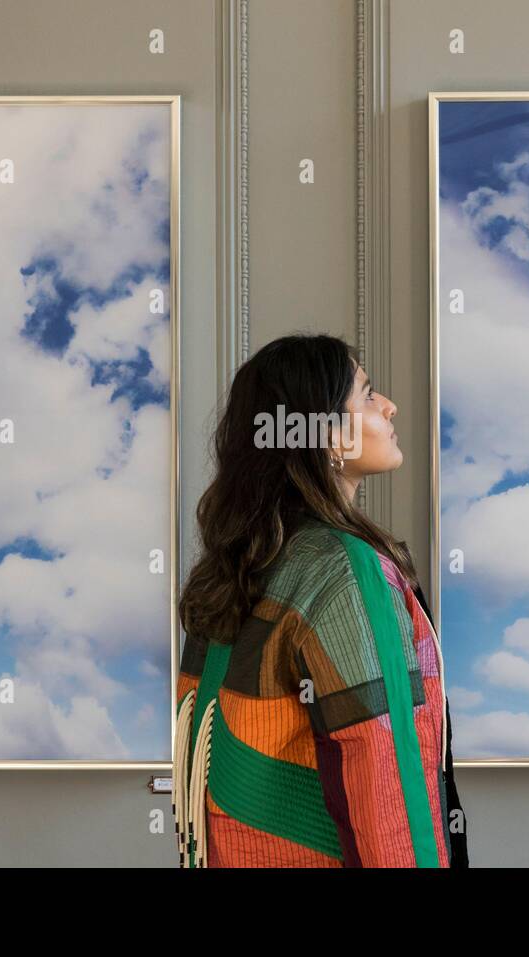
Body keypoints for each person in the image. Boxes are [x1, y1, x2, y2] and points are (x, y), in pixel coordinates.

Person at [173, 333, 468, 867]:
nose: (388, 406)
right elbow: (386, 787)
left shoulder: (239, 565)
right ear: (327, 436)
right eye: (368, 393)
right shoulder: (345, 572)